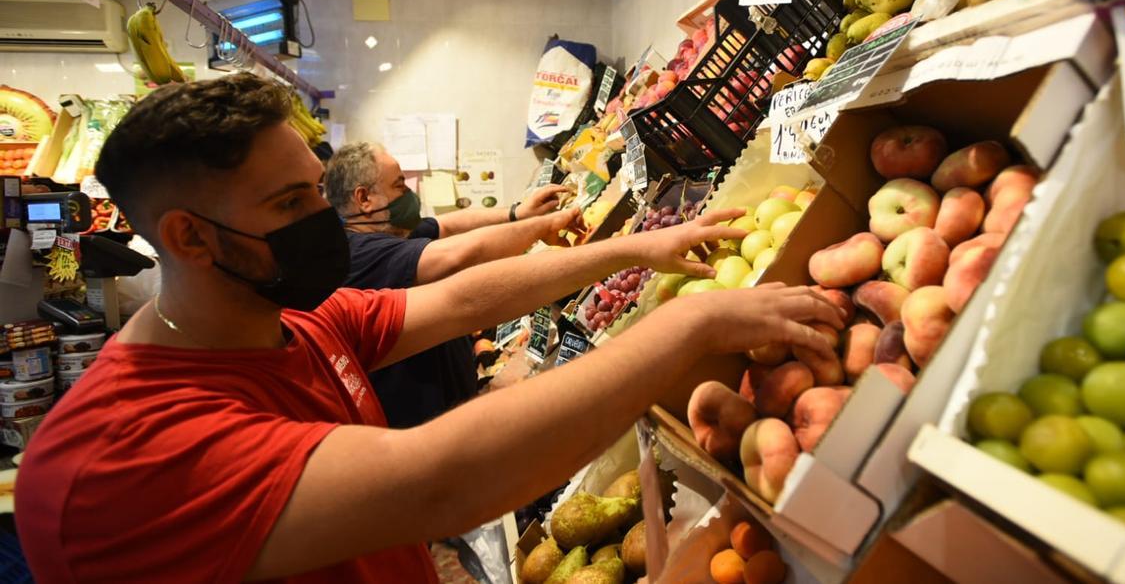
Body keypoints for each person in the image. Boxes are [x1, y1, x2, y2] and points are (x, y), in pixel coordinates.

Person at [15, 73, 843, 583]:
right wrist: (691, 323)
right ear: (189, 235)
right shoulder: (119, 453)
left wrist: (638, 244)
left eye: (317, 190)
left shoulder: (295, 325)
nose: (328, 221)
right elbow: (441, 478)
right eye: (291, 205)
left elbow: (466, 298)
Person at [324, 142, 576, 427]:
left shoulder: (389, 229)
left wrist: (517, 213)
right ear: (364, 198)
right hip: (423, 426)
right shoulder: (359, 253)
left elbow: (447, 225)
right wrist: (543, 227)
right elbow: (457, 255)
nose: (408, 193)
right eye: (398, 185)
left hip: (454, 404)